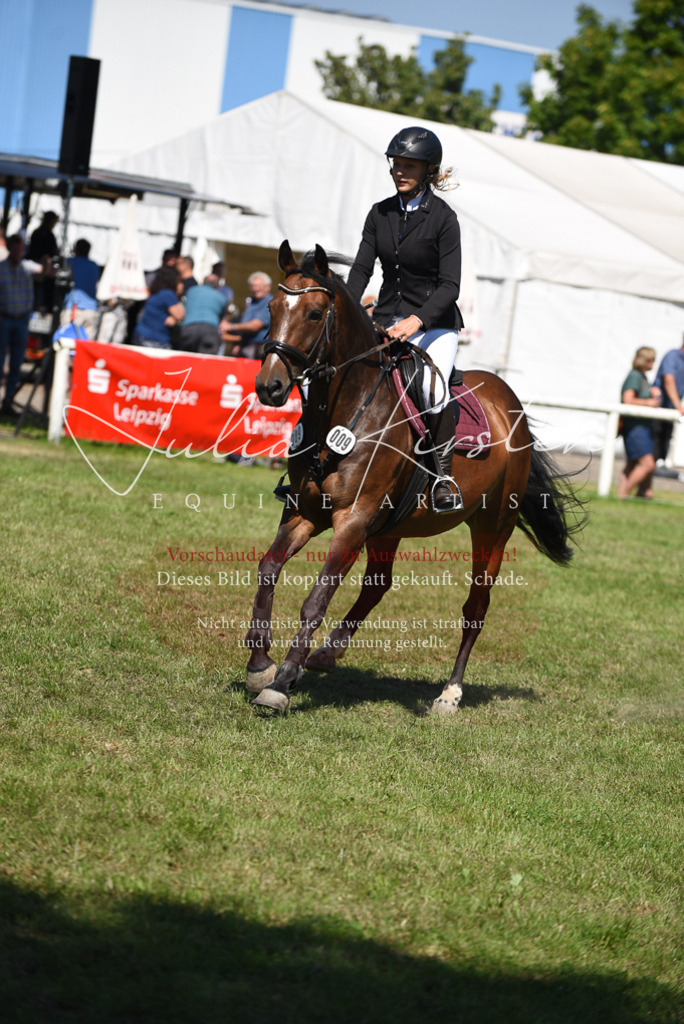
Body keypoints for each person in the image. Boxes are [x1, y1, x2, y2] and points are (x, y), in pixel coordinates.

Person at [346, 126, 465, 512]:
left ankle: (442, 476)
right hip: (383, 320)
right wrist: (348, 309)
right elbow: (362, 269)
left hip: (435, 324)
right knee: (338, 374)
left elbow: (450, 285)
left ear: (429, 170)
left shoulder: (444, 219)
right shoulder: (379, 213)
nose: (400, 171)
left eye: (409, 165)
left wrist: (417, 322)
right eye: (396, 164)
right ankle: (306, 454)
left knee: (432, 391)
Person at [618, 346, 661, 500]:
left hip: (640, 427)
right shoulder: (635, 376)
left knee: (631, 464)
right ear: (645, 360)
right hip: (635, 428)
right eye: (651, 360)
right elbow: (628, 400)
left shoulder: (641, 377)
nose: (653, 364)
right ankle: (623, 496)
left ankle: (620, 496)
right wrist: (648, 402)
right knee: (648, 464)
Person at [0, 235, 36, 415]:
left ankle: (8, 402)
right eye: (15, 249)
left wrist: (47, 265)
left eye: (20, 249)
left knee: (16, 364)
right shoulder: (1, 269)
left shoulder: (27, 267)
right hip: (5, 319)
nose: (17, 252)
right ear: (10, 248)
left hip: (21, 320)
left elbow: (44, 270)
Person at [222, 271, 273, 359]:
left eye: (258, 286)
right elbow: (245, 322)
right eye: (253, 286)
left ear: (268, 287)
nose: (255, 289)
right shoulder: (252, 301)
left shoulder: (270, 303)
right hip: (245, 346)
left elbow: (255, 325)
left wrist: (231, 326)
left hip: (258, 349)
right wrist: (239, 344)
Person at [132, 267, 185, 348]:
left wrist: (173, 317)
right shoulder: (168, 294)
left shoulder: (157, 292)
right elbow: (180, 315)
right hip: (154, 339)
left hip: (142, 334)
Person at [652, 335, 684, 464]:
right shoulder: (673, 355)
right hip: (658, 408)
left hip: (670, 411)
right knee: (655, 444)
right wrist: (677, 404)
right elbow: (668, 380)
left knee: (665, 441)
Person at [60, 238, 100, 339]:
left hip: (74, 310)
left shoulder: (70, 262)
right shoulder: (94, 266)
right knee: (86, 349)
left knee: (66, 345)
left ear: (76, 249)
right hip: (92, 311)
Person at [179, 274, 228, 354]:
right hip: (209, 329)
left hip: (189, 328)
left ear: (202, 282)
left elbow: (183, 307)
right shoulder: (221, 298)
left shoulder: (191, 290)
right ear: (218, 287)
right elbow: (221, 319)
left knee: (186, 359)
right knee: (206, 361)